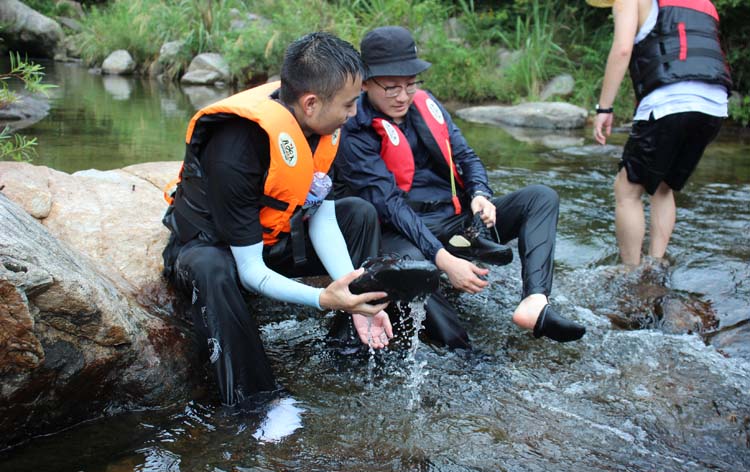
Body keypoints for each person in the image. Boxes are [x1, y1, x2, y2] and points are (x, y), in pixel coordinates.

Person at [161, 32, 393, 406]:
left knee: (360, 214)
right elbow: (249, 270)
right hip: (218, 249)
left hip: (271, 239)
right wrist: (323, 299)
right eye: (350, 105)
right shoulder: (236, 145)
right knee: (210, 267)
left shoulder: (317, 127)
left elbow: (323, 215)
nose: (354, 115)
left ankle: (348, 346)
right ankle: (255, 402)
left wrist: (349, 292)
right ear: (312, 103)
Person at [335, 26, 585, 347]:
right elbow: (389, 204)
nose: (403, 96)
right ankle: (462, 351)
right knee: (416, 270)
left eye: (411, 85)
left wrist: (481, 193)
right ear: (366, 82)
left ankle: (534, 301)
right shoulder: (353, 128)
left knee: (540, 198)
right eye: (391, 87)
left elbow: (465, 155)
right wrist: (444, 260)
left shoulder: (426, 105)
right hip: (402, 230)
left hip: (456, 220)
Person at [590, 0, 731, 266]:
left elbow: (622, 50)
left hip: (670, 101)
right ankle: (656, 264)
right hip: (714, 104)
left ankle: (631, 272)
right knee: (664, 187)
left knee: (627, 189)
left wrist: (604, 107)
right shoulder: (706, 4)